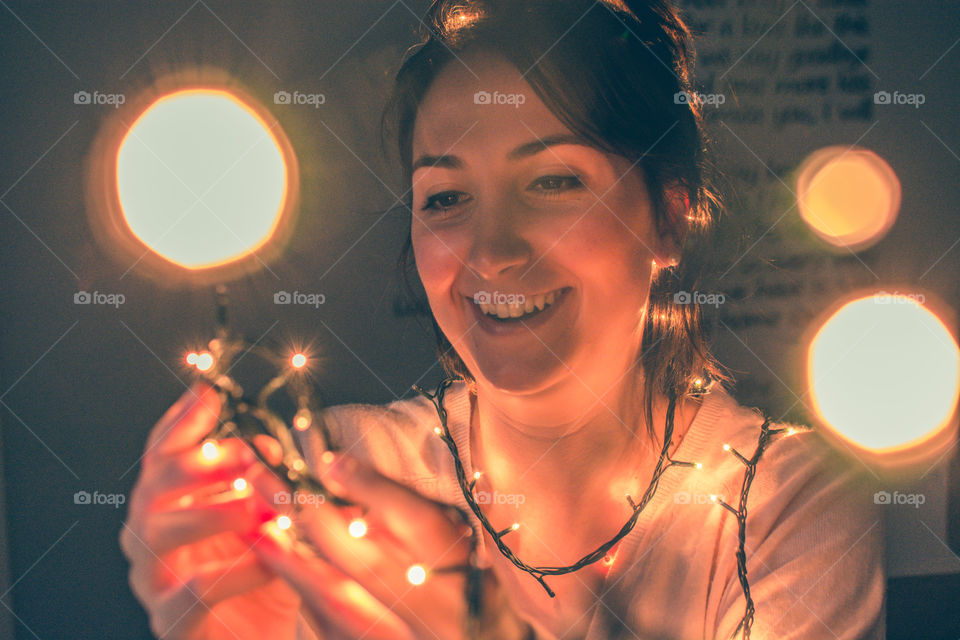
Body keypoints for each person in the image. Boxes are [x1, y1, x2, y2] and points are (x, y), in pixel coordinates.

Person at [120, 1, 886, 638]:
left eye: (553, 181)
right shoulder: (338, 477)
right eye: (445, 198)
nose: (492, 253)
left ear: (671, 217)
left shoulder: (783, 506)